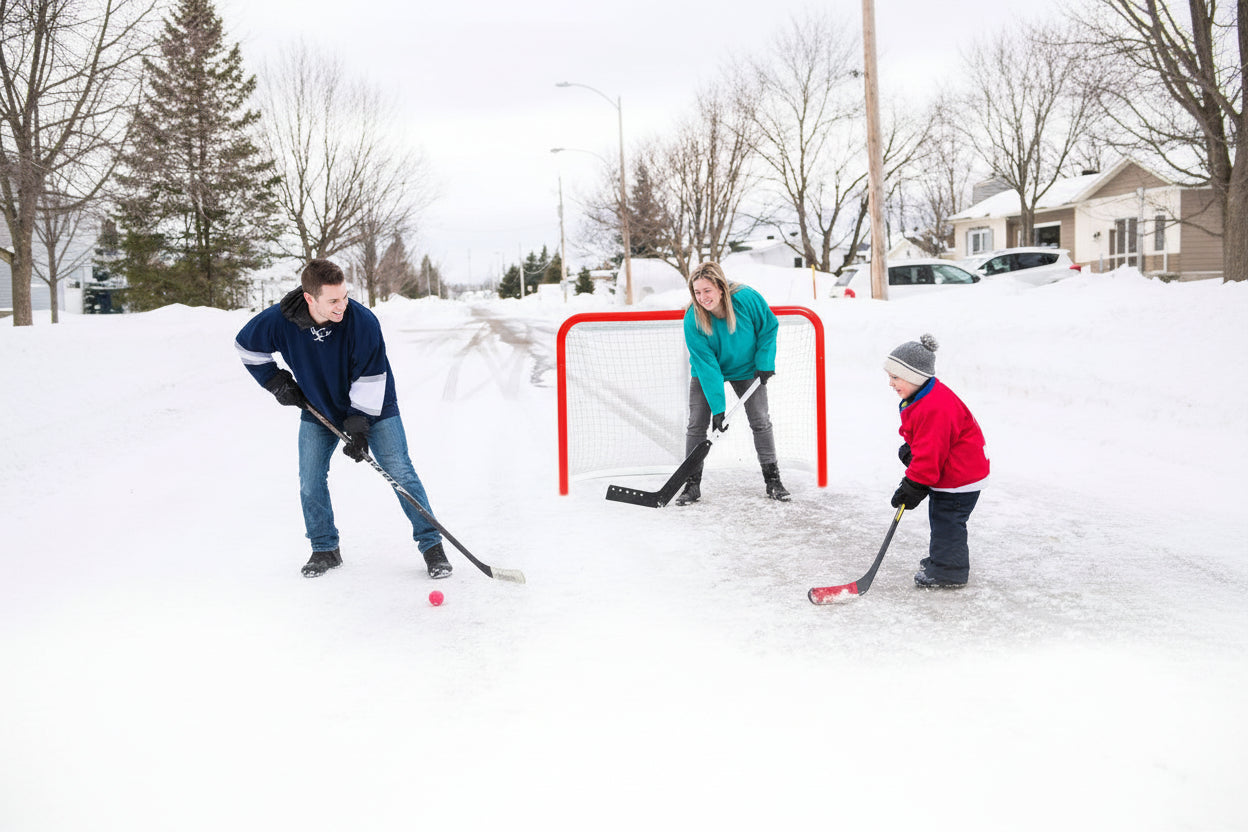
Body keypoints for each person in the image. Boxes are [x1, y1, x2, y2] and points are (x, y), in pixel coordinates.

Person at [234, 258, 452, 580]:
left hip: (375, 408)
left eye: (345, 296)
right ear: (310, 298)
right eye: (333, 300)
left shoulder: (362, 322)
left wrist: (360, 425)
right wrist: (276, 382)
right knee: (310, 480)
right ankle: (325, 549)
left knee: (400, 472)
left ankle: (432, 546)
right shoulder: (280, 321)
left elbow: (372, 375)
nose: (342, 306)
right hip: (319, 408)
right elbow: (246, 346)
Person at [675, 261, 789, 505]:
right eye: (697, 292)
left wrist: (765, 362)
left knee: (760, 421)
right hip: (709, 370)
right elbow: (707, 366)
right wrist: (718, 409)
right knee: (696, 425)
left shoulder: (746, 298)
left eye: (707, 291)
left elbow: (769, 327)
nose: (703, 297)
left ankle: (773, 480)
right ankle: (691, 484)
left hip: (747, 368)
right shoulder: (692, 319)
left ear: (721, 288)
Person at [884, 334, 989, 588]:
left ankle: (948, 572)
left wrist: (912, 486)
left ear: (914, 376)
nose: (891, 383)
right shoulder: (923, 396)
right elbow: (927, 439)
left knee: (947, 522)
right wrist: (911, 449)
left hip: (959, 476)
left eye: (896, 377)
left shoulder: (934, 406)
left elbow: (931, 455)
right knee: (941, 518)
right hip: (951, 471)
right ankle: (942, 558)